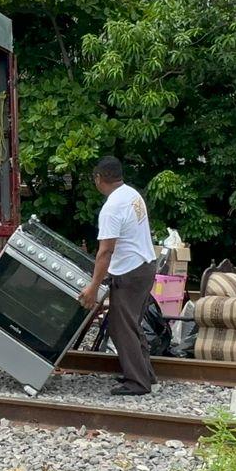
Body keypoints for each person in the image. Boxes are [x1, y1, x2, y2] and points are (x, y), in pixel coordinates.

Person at [79, 156, 158, 396]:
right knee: (131, 323)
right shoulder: (132, 195)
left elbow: (105, 251)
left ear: (99, 178)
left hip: (130, 273)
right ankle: (145, 373)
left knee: (120, 327)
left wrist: (93, 287)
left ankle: (137, 382)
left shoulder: (111, 208)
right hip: (146, 266)